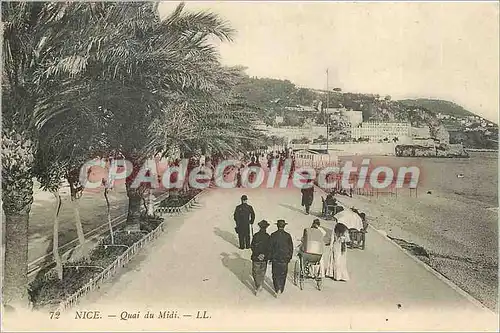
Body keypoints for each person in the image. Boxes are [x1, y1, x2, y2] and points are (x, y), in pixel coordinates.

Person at [269, 219, 294, 298]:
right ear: (284, 226)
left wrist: (270, 258)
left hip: (275, 258)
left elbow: (270, 247)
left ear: (277, 226)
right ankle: (281, 288)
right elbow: (291, 248)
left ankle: (277, 289)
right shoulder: (288, 235)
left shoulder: (273, 235)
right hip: (284, 259)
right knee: (283, 274)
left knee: (275, 274)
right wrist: (289, 257)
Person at [251, 220, 271, 295]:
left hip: (256, 257)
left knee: (255, 272)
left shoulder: (256, 235)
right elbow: (269, 248)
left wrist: (258, 254)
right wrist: (264, 255)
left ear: (259, 227)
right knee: (262, 272)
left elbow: (252, 246)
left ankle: (258, 285)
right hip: (264, 258)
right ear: (266, 227)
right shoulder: (268, 237)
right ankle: (260, 284)